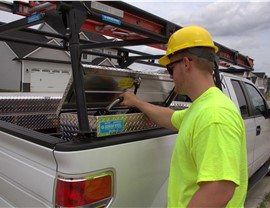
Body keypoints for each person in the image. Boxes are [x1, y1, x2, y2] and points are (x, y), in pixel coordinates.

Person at [120, 25, 248, 207]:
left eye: (170, 68)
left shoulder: (214, 115)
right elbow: (170, 118)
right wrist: (137, 102)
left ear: (186, 63)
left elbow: (219, 189)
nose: (169, 75)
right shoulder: (202, 107)